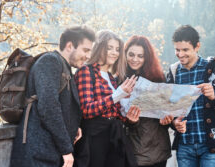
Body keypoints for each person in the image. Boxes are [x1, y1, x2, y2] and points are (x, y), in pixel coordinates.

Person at [10, 25, 95, 167]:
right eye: (85, 50)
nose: (88, 56)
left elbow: (61, 105)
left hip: (48, 152)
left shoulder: (65, 67)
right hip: (38, 152)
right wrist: (66, 149)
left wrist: (74, 127)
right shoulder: (50, 61)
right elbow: (48, 107)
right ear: (69, 46)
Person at [166, 25, 215, 167]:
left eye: (185, 50)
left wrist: (214, 97)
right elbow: (168, 110)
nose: (180, 54)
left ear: (197, 46)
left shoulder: (213, 68)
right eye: (177, 50)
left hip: (211, 146)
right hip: (184, 147)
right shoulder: (173, 73)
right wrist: (174, 123)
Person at [74, 30, 140, 167]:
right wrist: (117, 95)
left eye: (117, 49)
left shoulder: (111, 78)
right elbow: (86, 110)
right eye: (109, 48)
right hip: (94, 138)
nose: (114, 52)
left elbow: (114, 112)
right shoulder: (86, 71)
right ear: (98, 47)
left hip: (114, 137)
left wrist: (129, 117)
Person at [119, 35, 186, 167]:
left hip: (157, 149)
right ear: (124, 54)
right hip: (131, 149)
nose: (134, 59)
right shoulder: (119, 79)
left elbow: (170, 111)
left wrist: (168, 120)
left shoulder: (158, 79)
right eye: (131, 54)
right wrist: (131, 121)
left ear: (147, 58)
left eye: (140, 56)